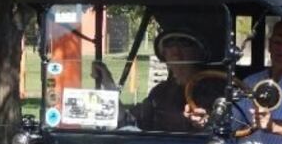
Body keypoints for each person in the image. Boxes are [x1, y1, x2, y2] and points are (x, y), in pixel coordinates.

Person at [92, 28, 223, 132]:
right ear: (164, 54)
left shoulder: (216, 91)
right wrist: (108, 83)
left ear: (198, 52)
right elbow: (129, 122)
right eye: (169, 44)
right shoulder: (159, 93)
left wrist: (206, 123)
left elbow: (222, 130)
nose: (175, 52)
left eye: (184, 43)